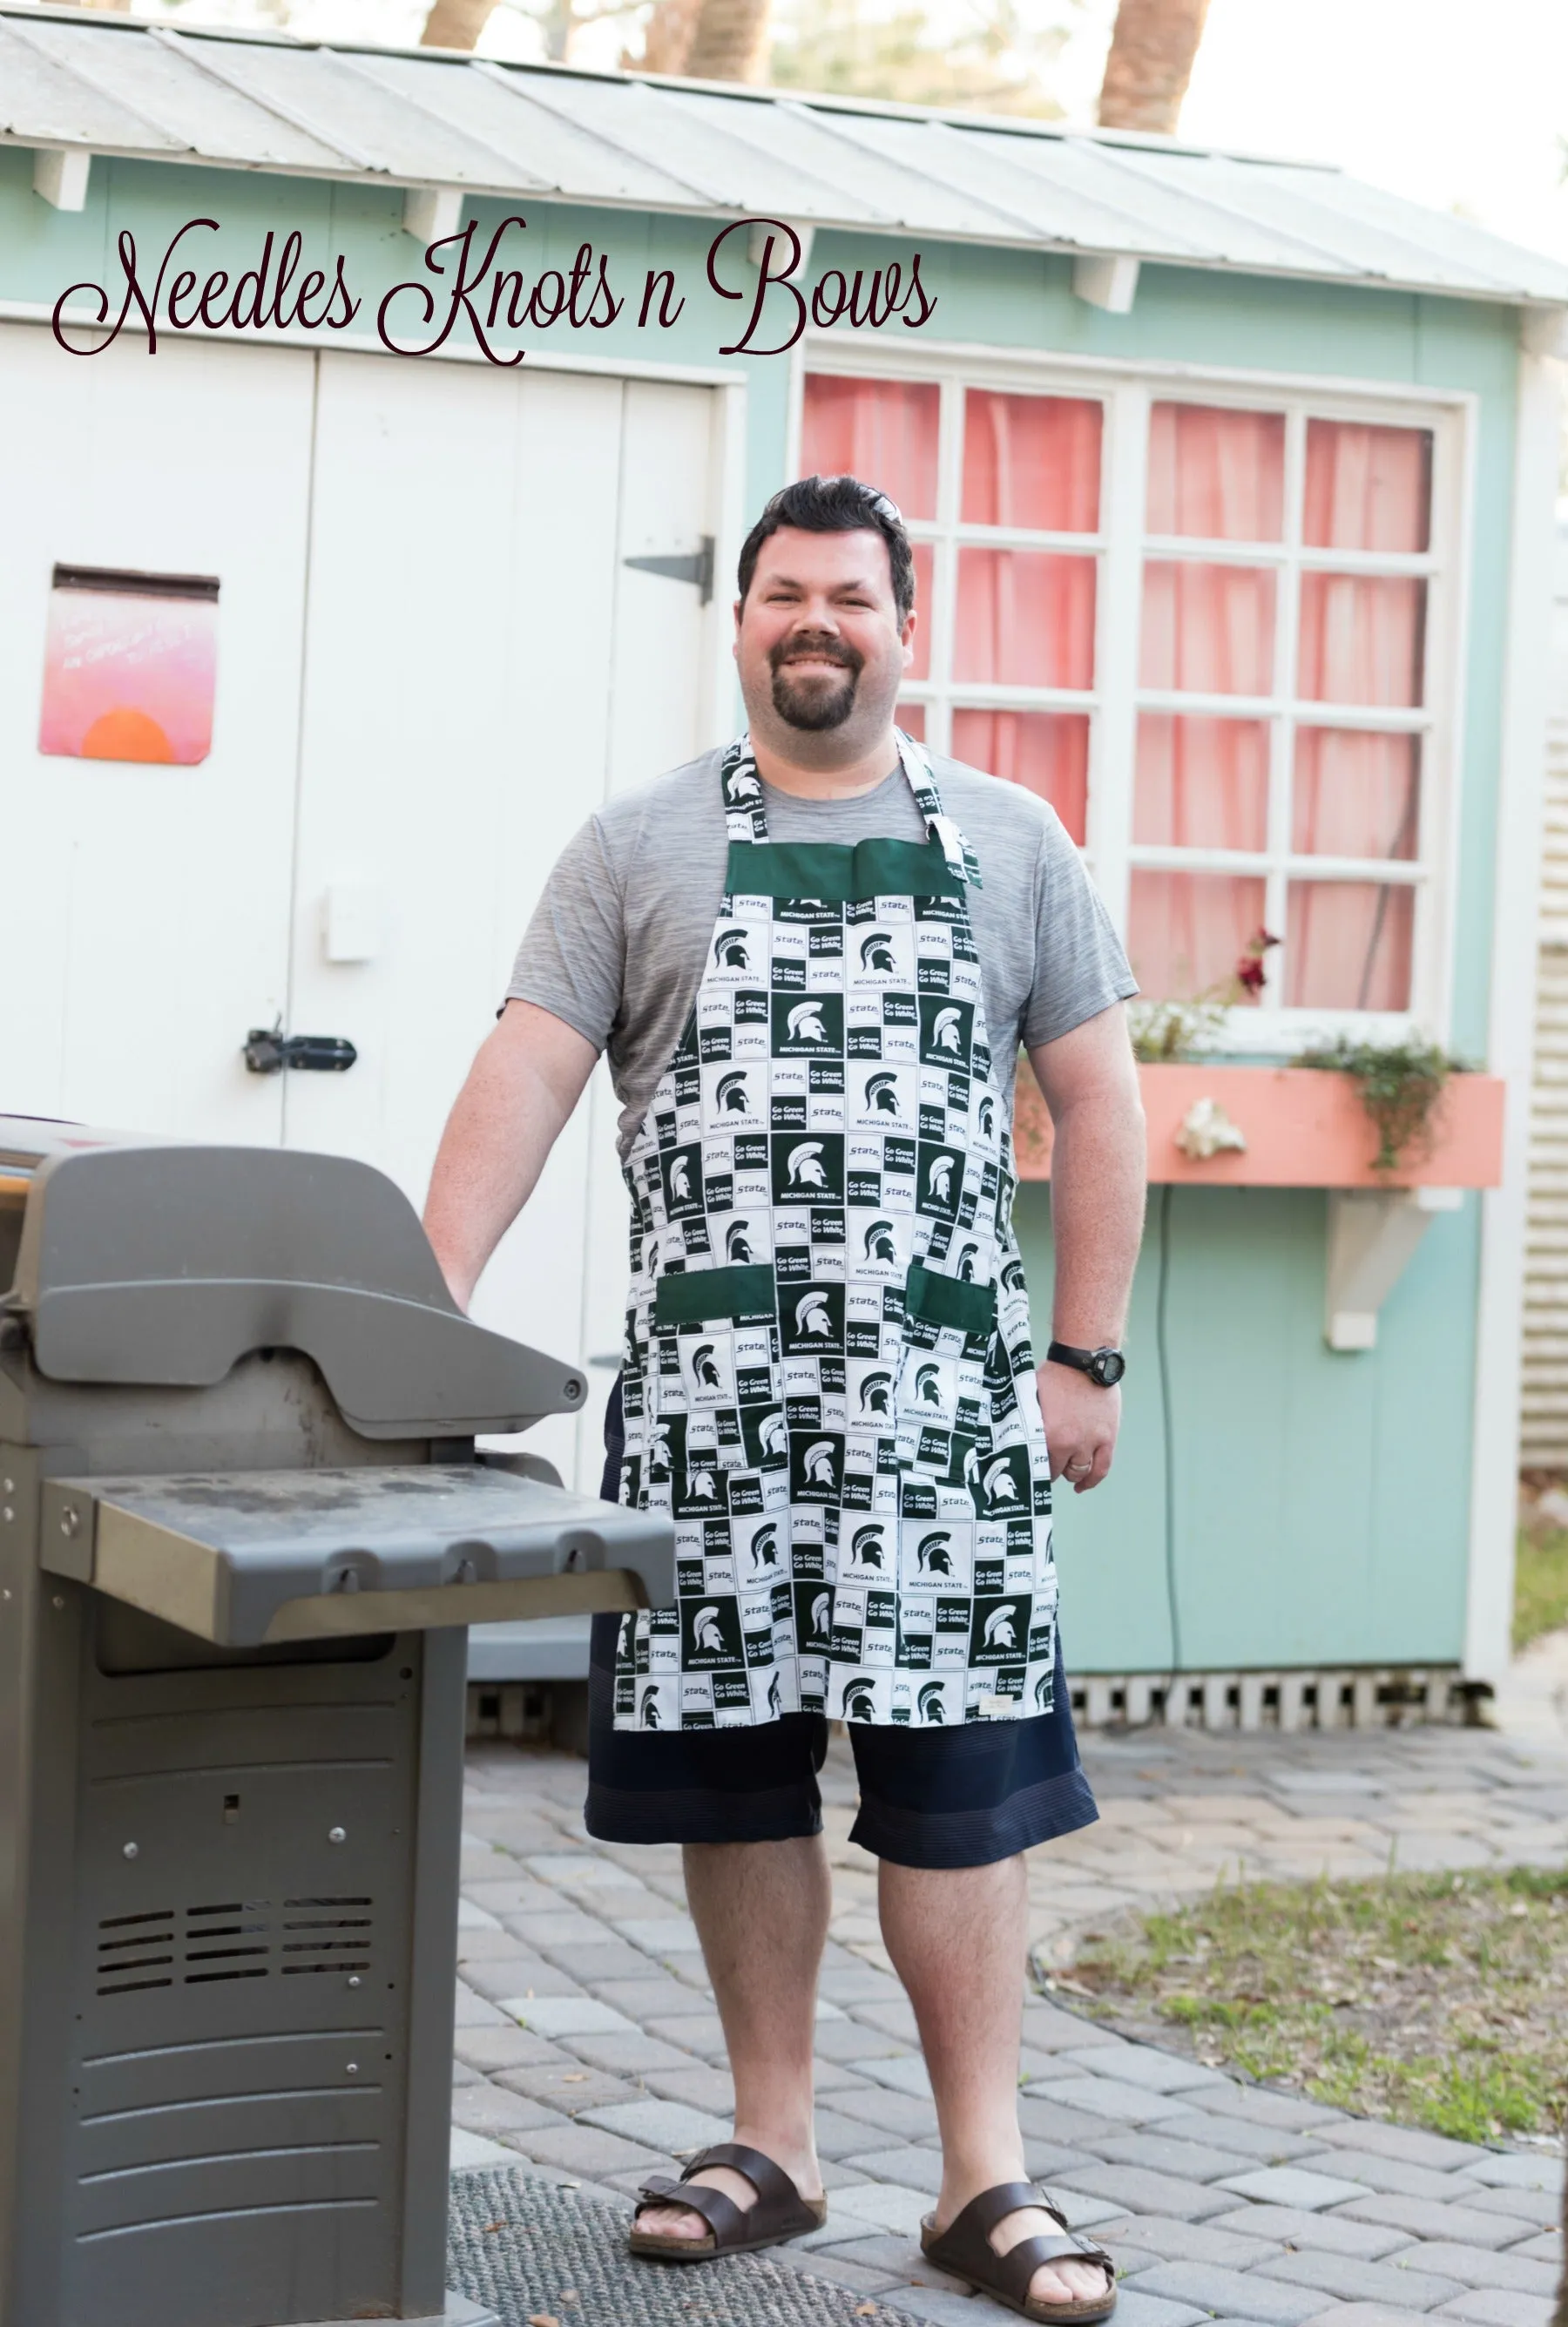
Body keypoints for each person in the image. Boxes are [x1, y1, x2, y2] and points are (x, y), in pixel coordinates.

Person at [424, 474, 1146, 2322]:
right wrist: (423, 1314)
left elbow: (1099, 1102)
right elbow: (527, 1073)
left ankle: (986, 2177)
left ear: (909, 629)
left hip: (940, 1421)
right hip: (717, 1412)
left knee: (957, 1801)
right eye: (783, 597)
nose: (816, 624)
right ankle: (777, 2142)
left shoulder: (1015, 842)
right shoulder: (632, 847)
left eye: (851, 598)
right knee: (741, 1787)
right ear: (737, 622)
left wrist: (1083, 1350)